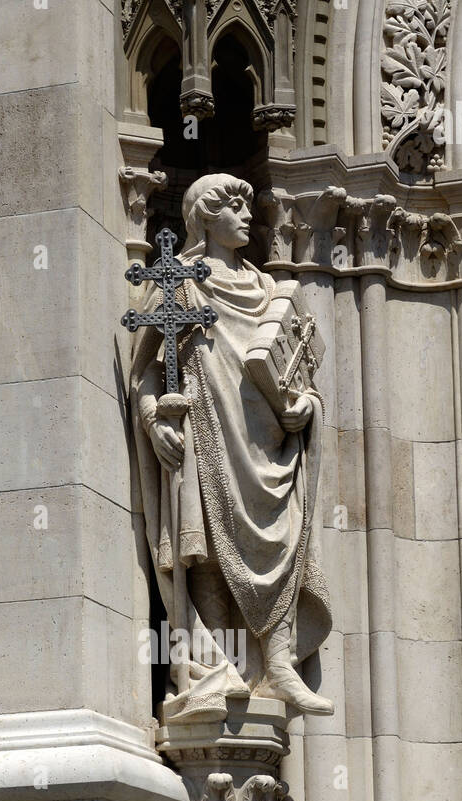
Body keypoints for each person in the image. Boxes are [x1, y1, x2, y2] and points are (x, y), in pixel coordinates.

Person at [130, 171, 333, 718]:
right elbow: (145, 370)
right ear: (203, 216)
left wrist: (303, 407)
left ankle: (278, 663)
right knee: (207, 546)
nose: (247, 215)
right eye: (233, 206)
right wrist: (154, 418)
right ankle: (217, 667)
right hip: (208, 430)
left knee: (282, 539)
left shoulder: (270, 291)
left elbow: (299, 368)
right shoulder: (179, 282)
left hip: (269, 444)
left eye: (248, 204)